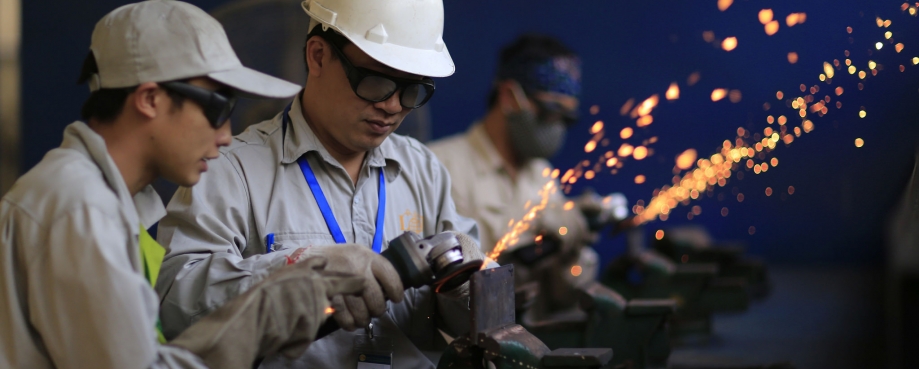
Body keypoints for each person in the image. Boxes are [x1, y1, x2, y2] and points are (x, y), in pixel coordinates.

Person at [0, 1, 378, 368]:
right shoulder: (81, 207)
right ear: (149, 98)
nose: (227, 135)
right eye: (218, 108)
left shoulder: (95, 200)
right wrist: (261, 312)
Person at [155, 0, 489, 367]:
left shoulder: (422, 169)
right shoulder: (231, 169)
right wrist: (301, 268)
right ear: (317, 56)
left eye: (412, 90)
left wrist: (467, 288)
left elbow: (476, 330)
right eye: (377, 82)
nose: (393, 106)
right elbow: (175, 305)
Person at [428, 34, 622, 313]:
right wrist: (535, 230)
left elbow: (561, 298)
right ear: (509, 97)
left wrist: (572, 249)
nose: (556, 129)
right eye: (550, 112)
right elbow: (451, 281)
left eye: (566, 119)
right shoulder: (439, 166)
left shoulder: (541, 174)